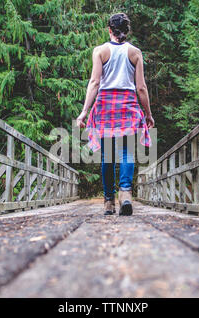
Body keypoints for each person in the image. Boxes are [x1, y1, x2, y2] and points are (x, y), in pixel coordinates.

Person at [76, 13, 154, 216]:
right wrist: (148, 114)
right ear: (127, 31)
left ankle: (109, 202)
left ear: (109, 29)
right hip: (127, 105)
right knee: (127, 152)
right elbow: (141, 88)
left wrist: (84, 112)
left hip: (105, 106)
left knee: (107, 155)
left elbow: (94, 83)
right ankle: (126, 194)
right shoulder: (135, 52)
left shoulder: (100, 51)